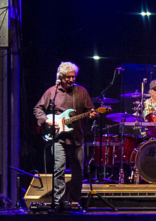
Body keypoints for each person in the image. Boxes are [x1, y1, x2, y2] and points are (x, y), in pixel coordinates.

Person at [33, 62, 98, 209]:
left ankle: (75, 202)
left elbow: (90, 111)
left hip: (76, 138)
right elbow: (37, 109)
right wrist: (47, 121)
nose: (71, 79)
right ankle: (58, 203)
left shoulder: (81, 92)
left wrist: (93, 115)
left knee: (78, 172)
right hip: (58, 138)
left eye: (73, 76)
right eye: (68, 77)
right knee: (59, 169)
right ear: (61, 77)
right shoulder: (52, 92)